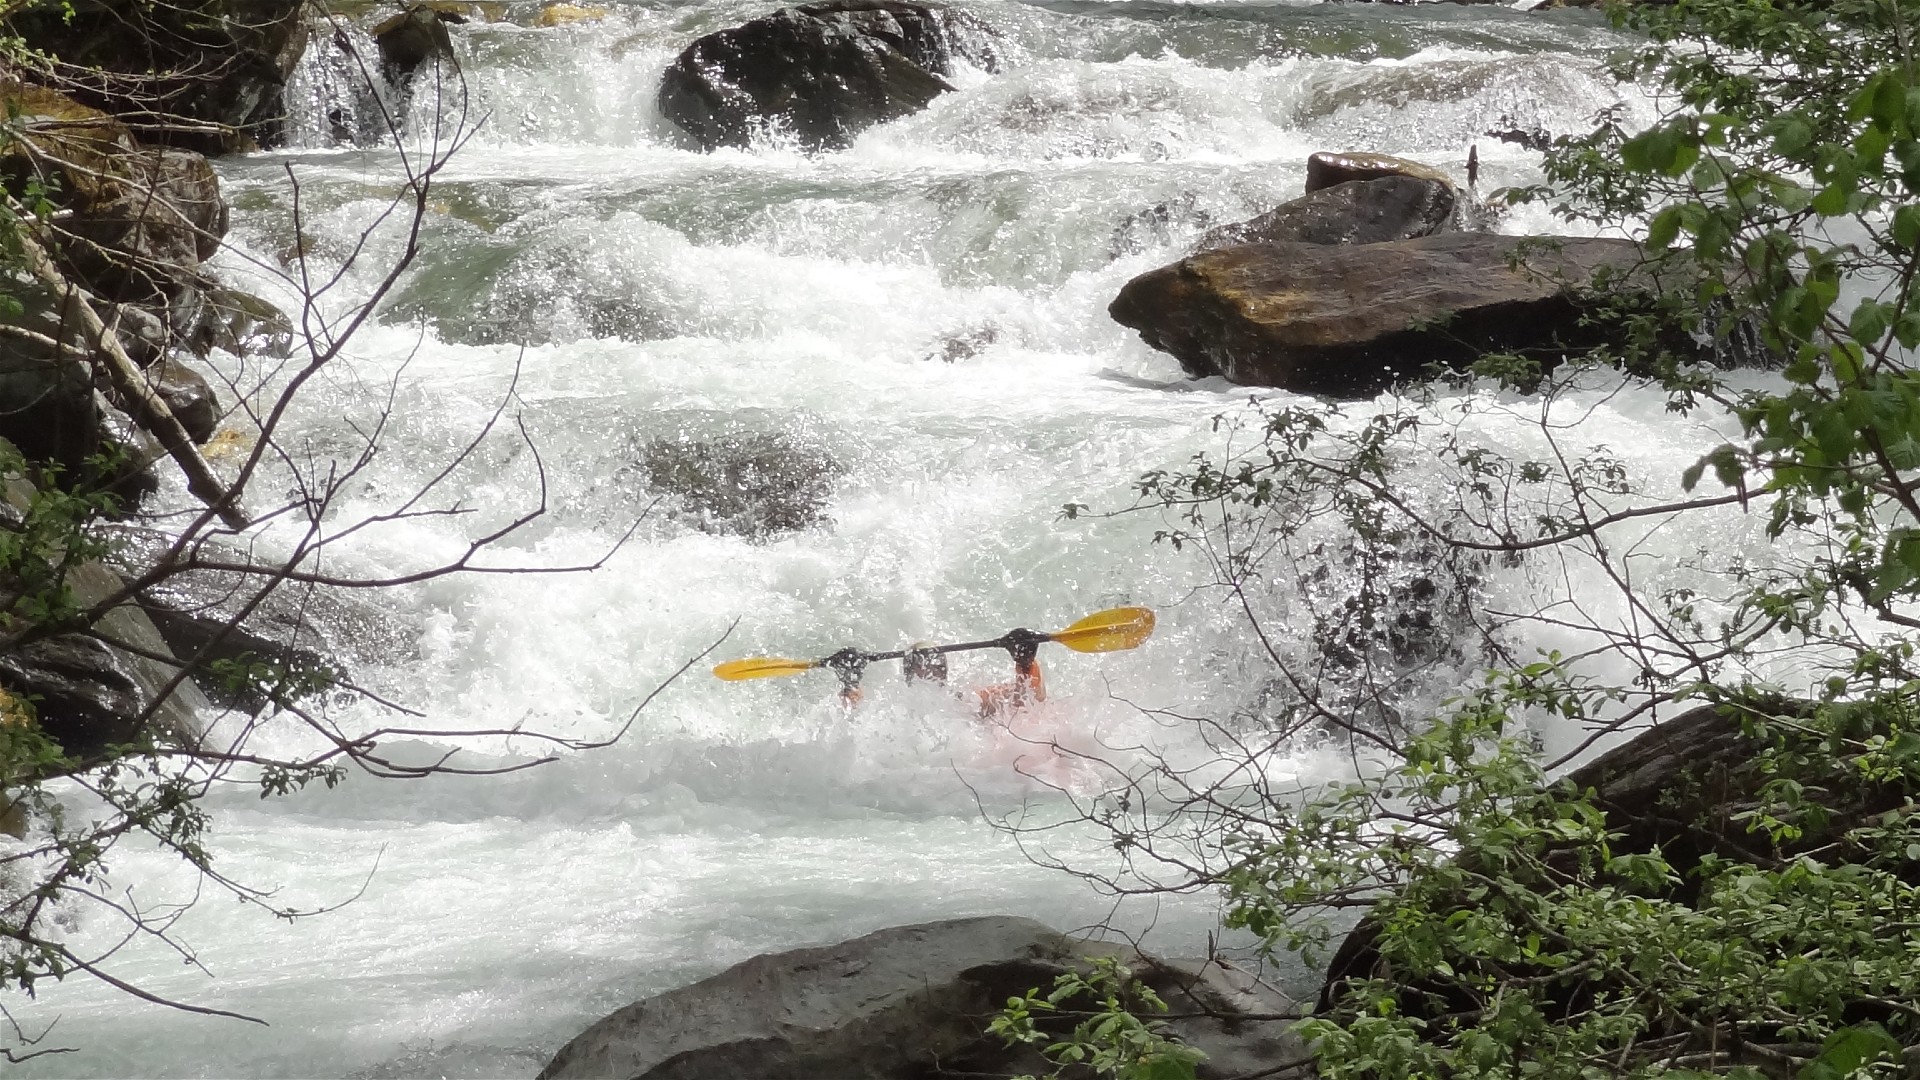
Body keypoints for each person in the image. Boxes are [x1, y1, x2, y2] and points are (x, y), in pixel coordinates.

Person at [903, 630, 1045, 720]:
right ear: (910, 672)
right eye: (923, 664)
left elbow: (1029, 698)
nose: (933, 668)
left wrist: (1026, 665)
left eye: (937, 663)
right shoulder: (896, 711)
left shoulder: (962, 699)